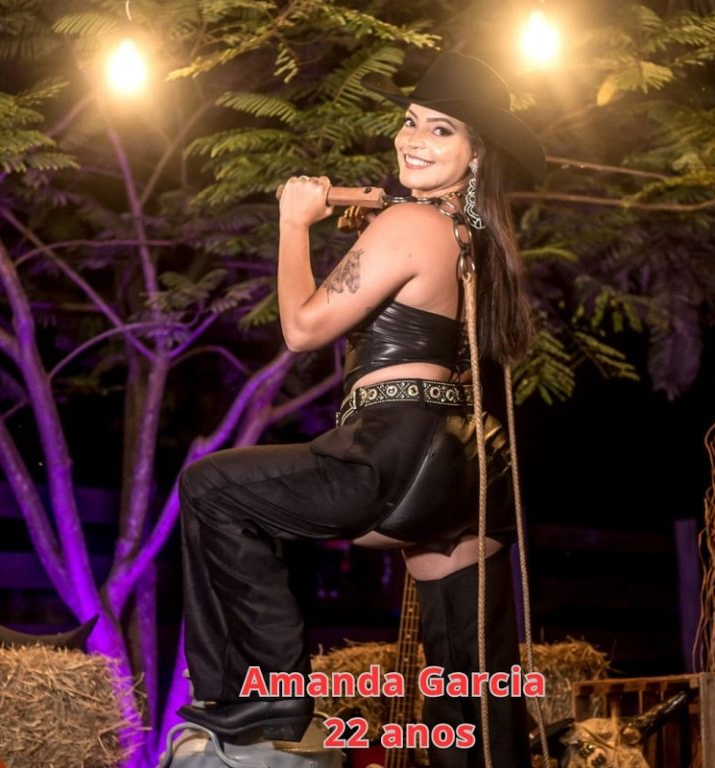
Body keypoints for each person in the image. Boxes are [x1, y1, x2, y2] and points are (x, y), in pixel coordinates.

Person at [177, 51, 545, 768]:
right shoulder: (475, 236)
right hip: (465, 463)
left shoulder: (411, 224)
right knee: (472, 686)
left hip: (393, 445)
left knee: (210, 488)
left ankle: (268, 691)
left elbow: (302, 328)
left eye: (441, 130)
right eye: (410, 122)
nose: (413, 139)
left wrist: (293, 223)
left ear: (475, 155)